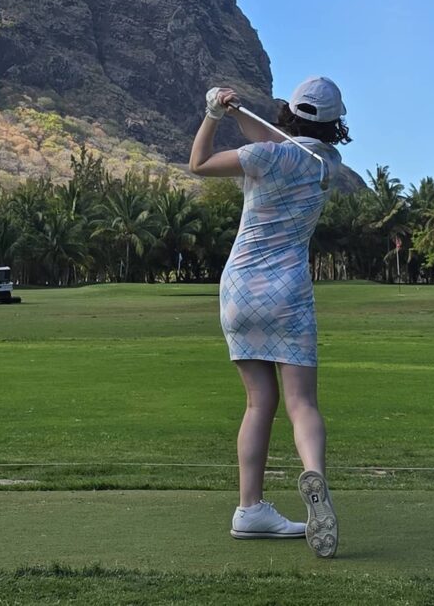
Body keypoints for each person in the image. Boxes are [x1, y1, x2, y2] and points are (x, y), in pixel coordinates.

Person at [188, 77, 351, 559]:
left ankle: (249, 508)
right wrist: (240, 112)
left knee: (260, 403)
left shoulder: (263, 158)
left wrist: (215, 113)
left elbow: (198, 164)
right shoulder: (328, 165)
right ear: (333, 124)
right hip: (290, 294)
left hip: (240, 290)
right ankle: (313, 471)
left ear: (288, 113)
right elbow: (286, 145)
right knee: (301, 402)